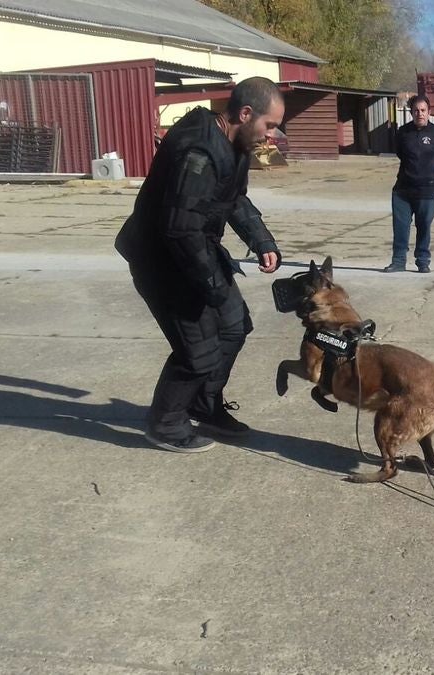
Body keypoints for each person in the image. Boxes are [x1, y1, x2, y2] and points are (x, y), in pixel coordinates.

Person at [115, 77, 285, 453]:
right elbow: (179, 229)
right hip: (164, 262)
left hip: (197, 253)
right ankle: (166, 424)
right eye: (268, 125)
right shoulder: (198, 151)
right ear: (245, 114)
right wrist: (210, 282)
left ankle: (204, 405)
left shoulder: (235, 145)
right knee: (199, 350)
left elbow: (234, 199)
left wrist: (261, 240)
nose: (270, 135)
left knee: (234, 326)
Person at [384, 94, 434, 273]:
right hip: (403, 190)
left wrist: (429, 171)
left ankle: (422, 261)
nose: (419, 114)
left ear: (429, 112)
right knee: (400, 228)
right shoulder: (403, 132)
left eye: (423, 110)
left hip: (427, 190)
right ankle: (398, 261)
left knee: (424, 227)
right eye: (416, 110)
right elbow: (400, 153)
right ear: (411, 112)